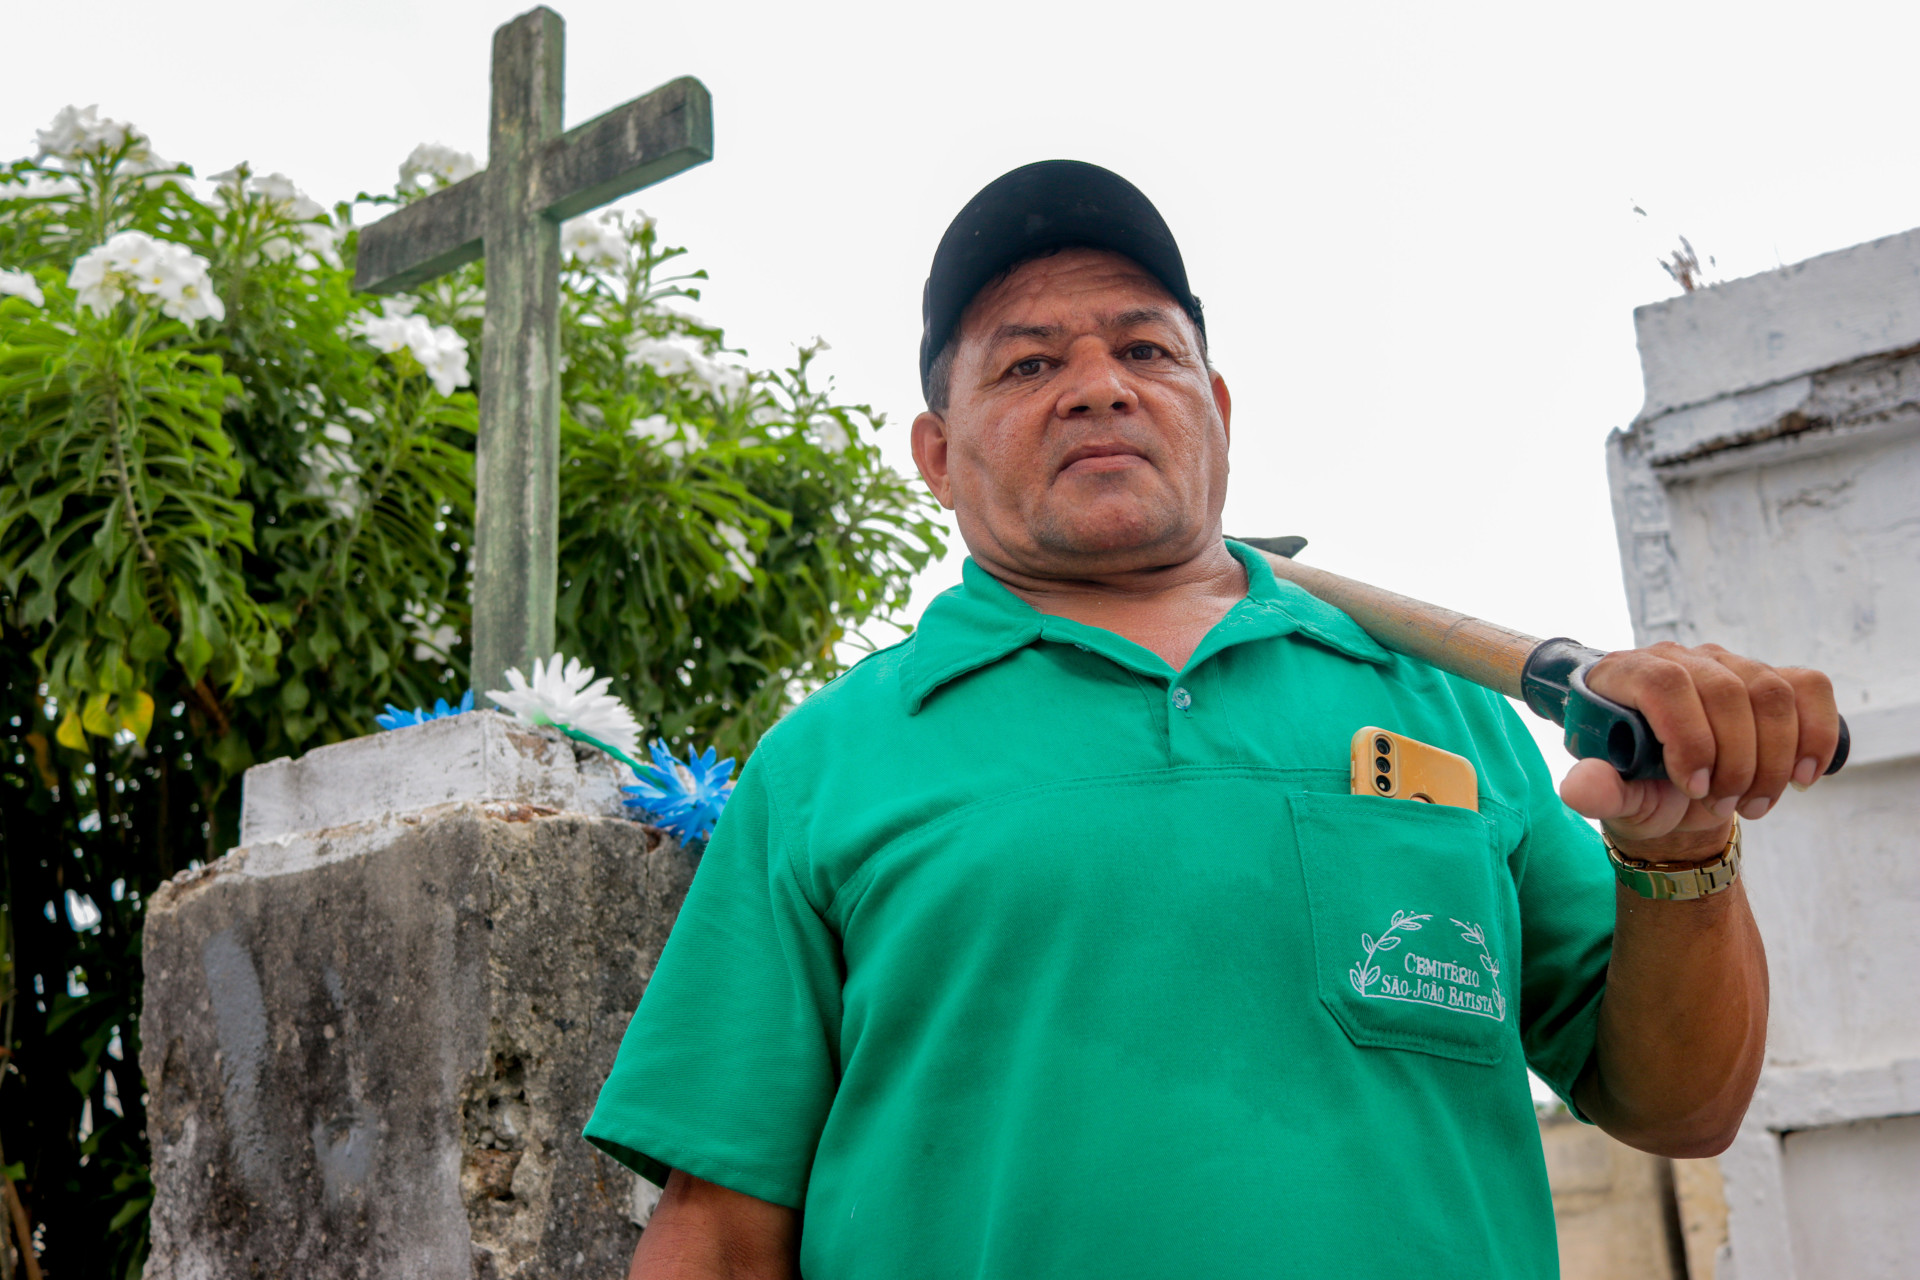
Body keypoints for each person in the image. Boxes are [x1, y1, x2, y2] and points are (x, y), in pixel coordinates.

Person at [585, 161, 1841, 1279]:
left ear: (1216, 403)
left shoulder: (1444, 706)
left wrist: (1682, 847)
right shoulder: (830, 760)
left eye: (1145, 350)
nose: (1097, 389)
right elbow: (721, 1229)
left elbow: (1683, 1105)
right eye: (1028, 363)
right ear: (935, 448)